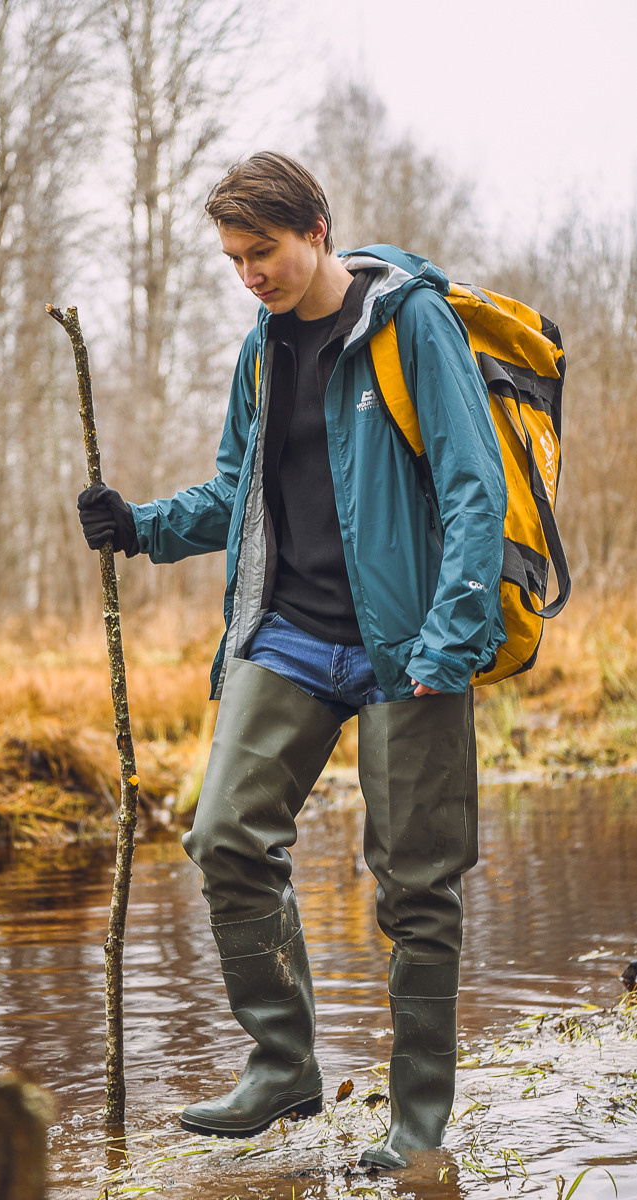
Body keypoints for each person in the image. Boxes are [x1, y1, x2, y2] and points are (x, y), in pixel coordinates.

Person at [77, 152, 506, 1170]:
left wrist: (450, 641)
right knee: (224, 831)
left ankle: (419, 1128)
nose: (249, 274)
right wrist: (139, 525)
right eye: (233, 259)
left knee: (416, 886)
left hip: (411, 647)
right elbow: (238, 495)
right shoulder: (261, 352)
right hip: (291, 635)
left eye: (260, 251)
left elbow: (472, 488)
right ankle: (284, 1061)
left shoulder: (411, 327)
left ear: (316, 227)